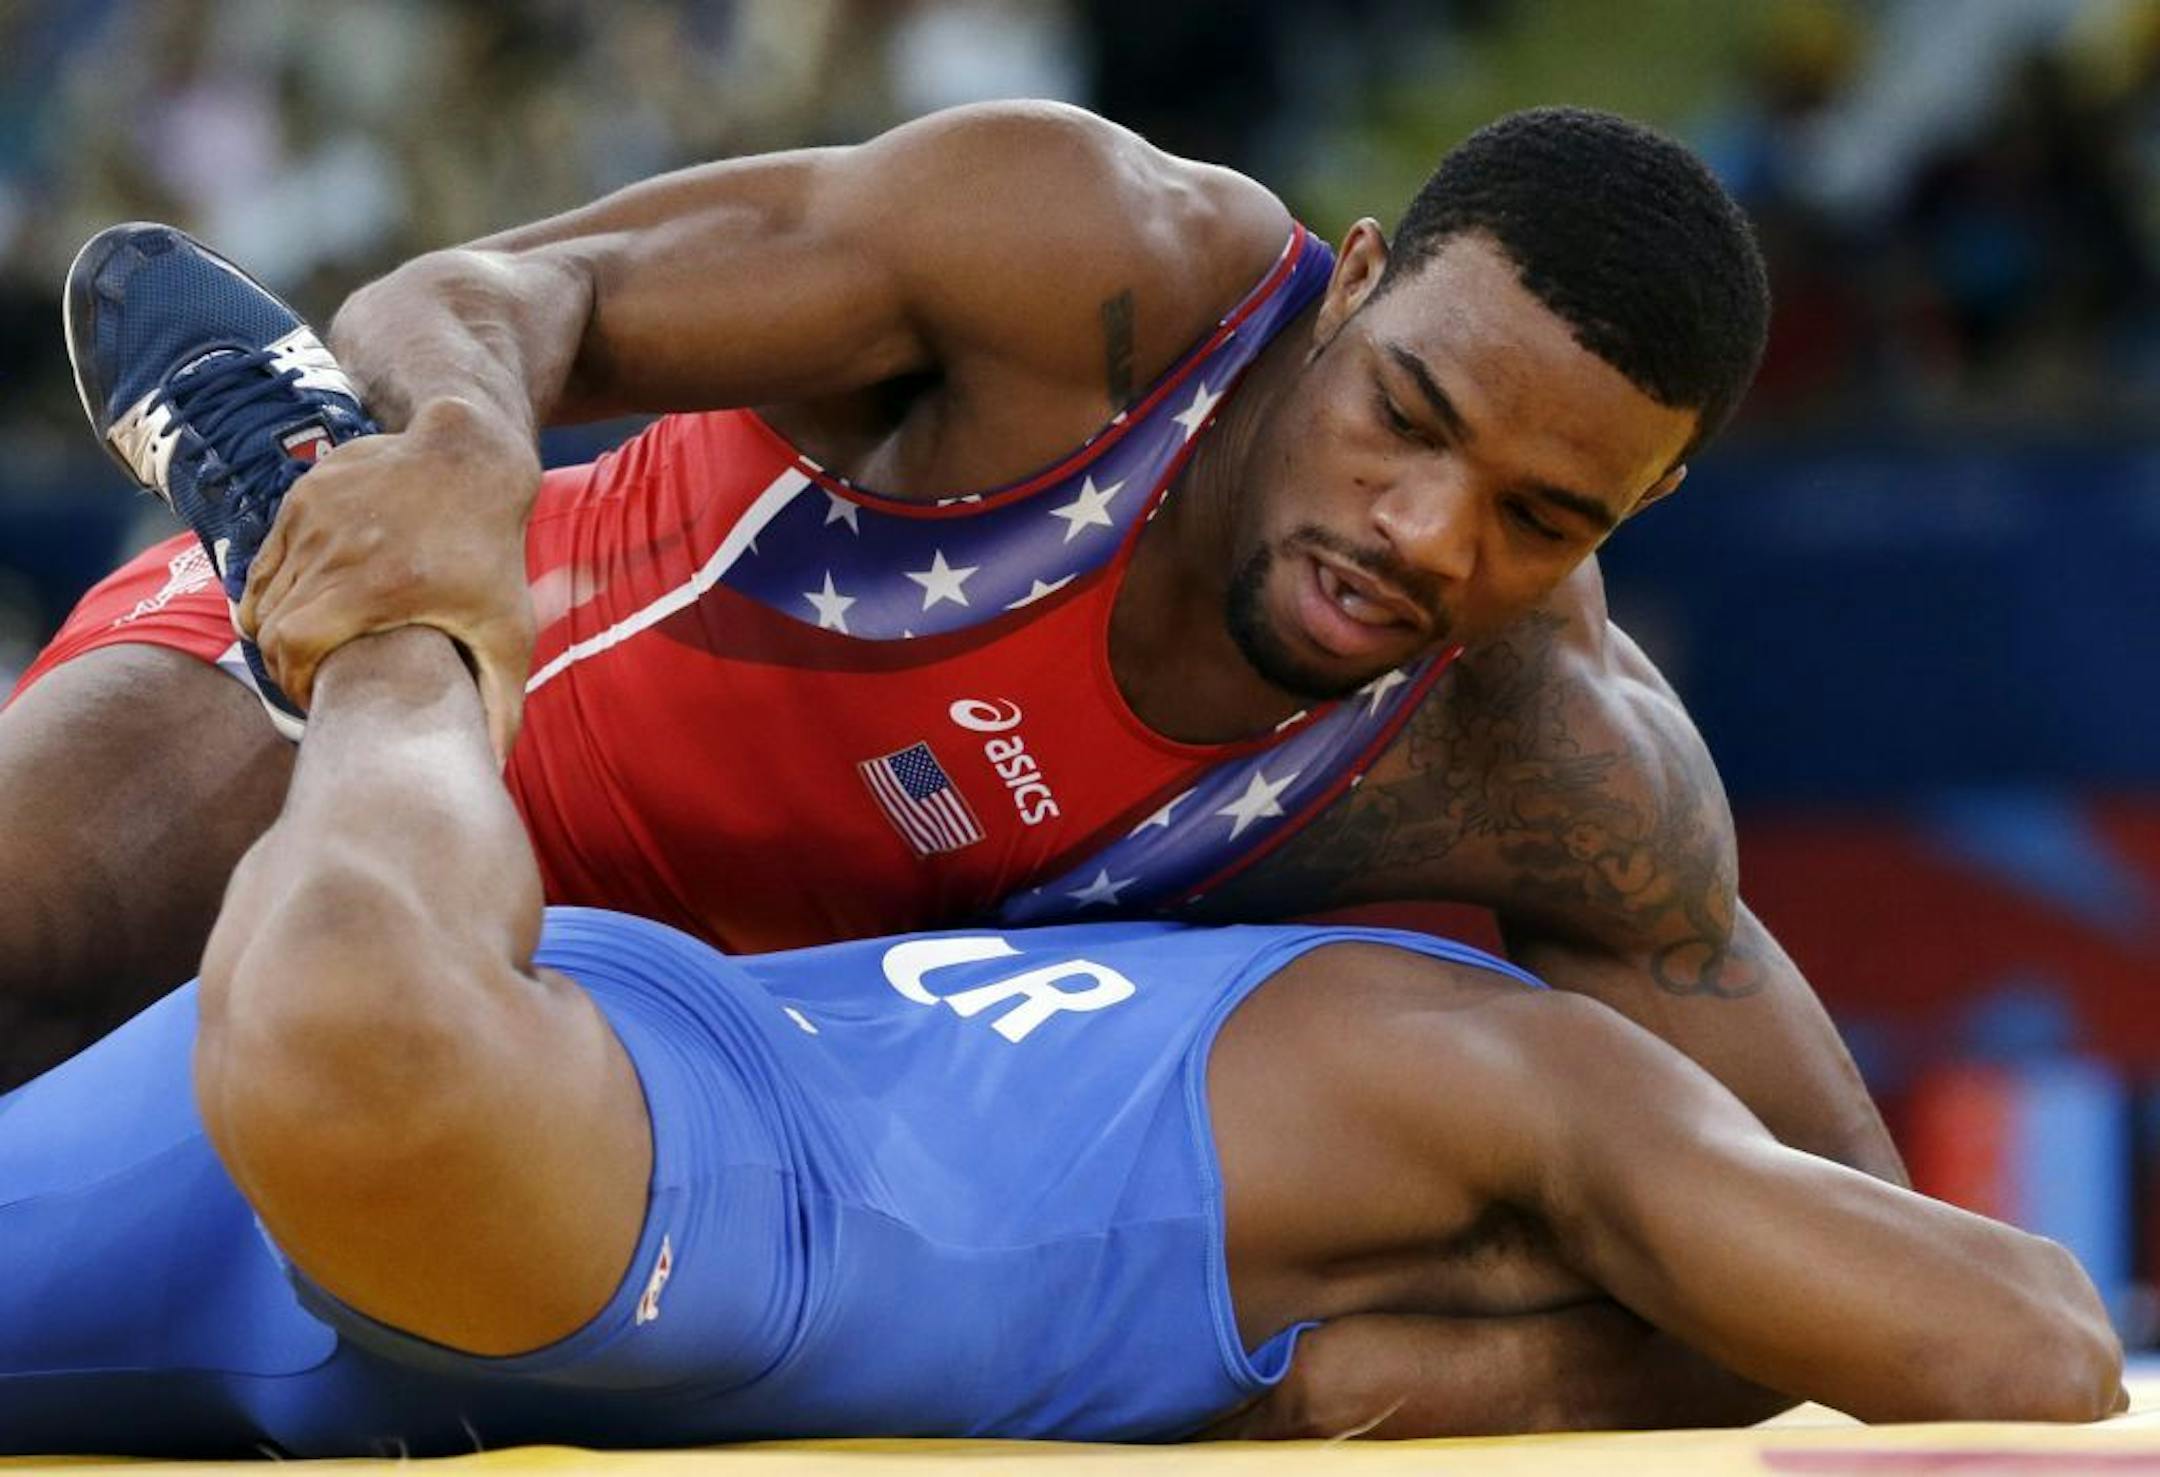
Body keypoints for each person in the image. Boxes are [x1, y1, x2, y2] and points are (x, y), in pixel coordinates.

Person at [12, 100, 1895, 1194]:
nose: (1427, 533)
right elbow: (499, 290)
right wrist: (460, 460)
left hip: (635, 1075)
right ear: (1359, 274)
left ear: (1636, 515)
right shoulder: (1091, 264)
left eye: (1542, 519)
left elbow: (1856, 1229)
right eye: (1407, 413)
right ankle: (306, 478)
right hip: (322, 705)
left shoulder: (1541, 756)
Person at [0, 611, 2123, 1456]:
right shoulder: (1540, 1086)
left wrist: (1489, 1374)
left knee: (344, 1022)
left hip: (550, 1182)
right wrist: (1532, 1377)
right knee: (349, 1006)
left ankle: (394, 666)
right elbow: (2020, 1335)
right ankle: (405, 630)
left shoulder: (1444, 1059)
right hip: (632, 1151)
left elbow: (1915, 1296)